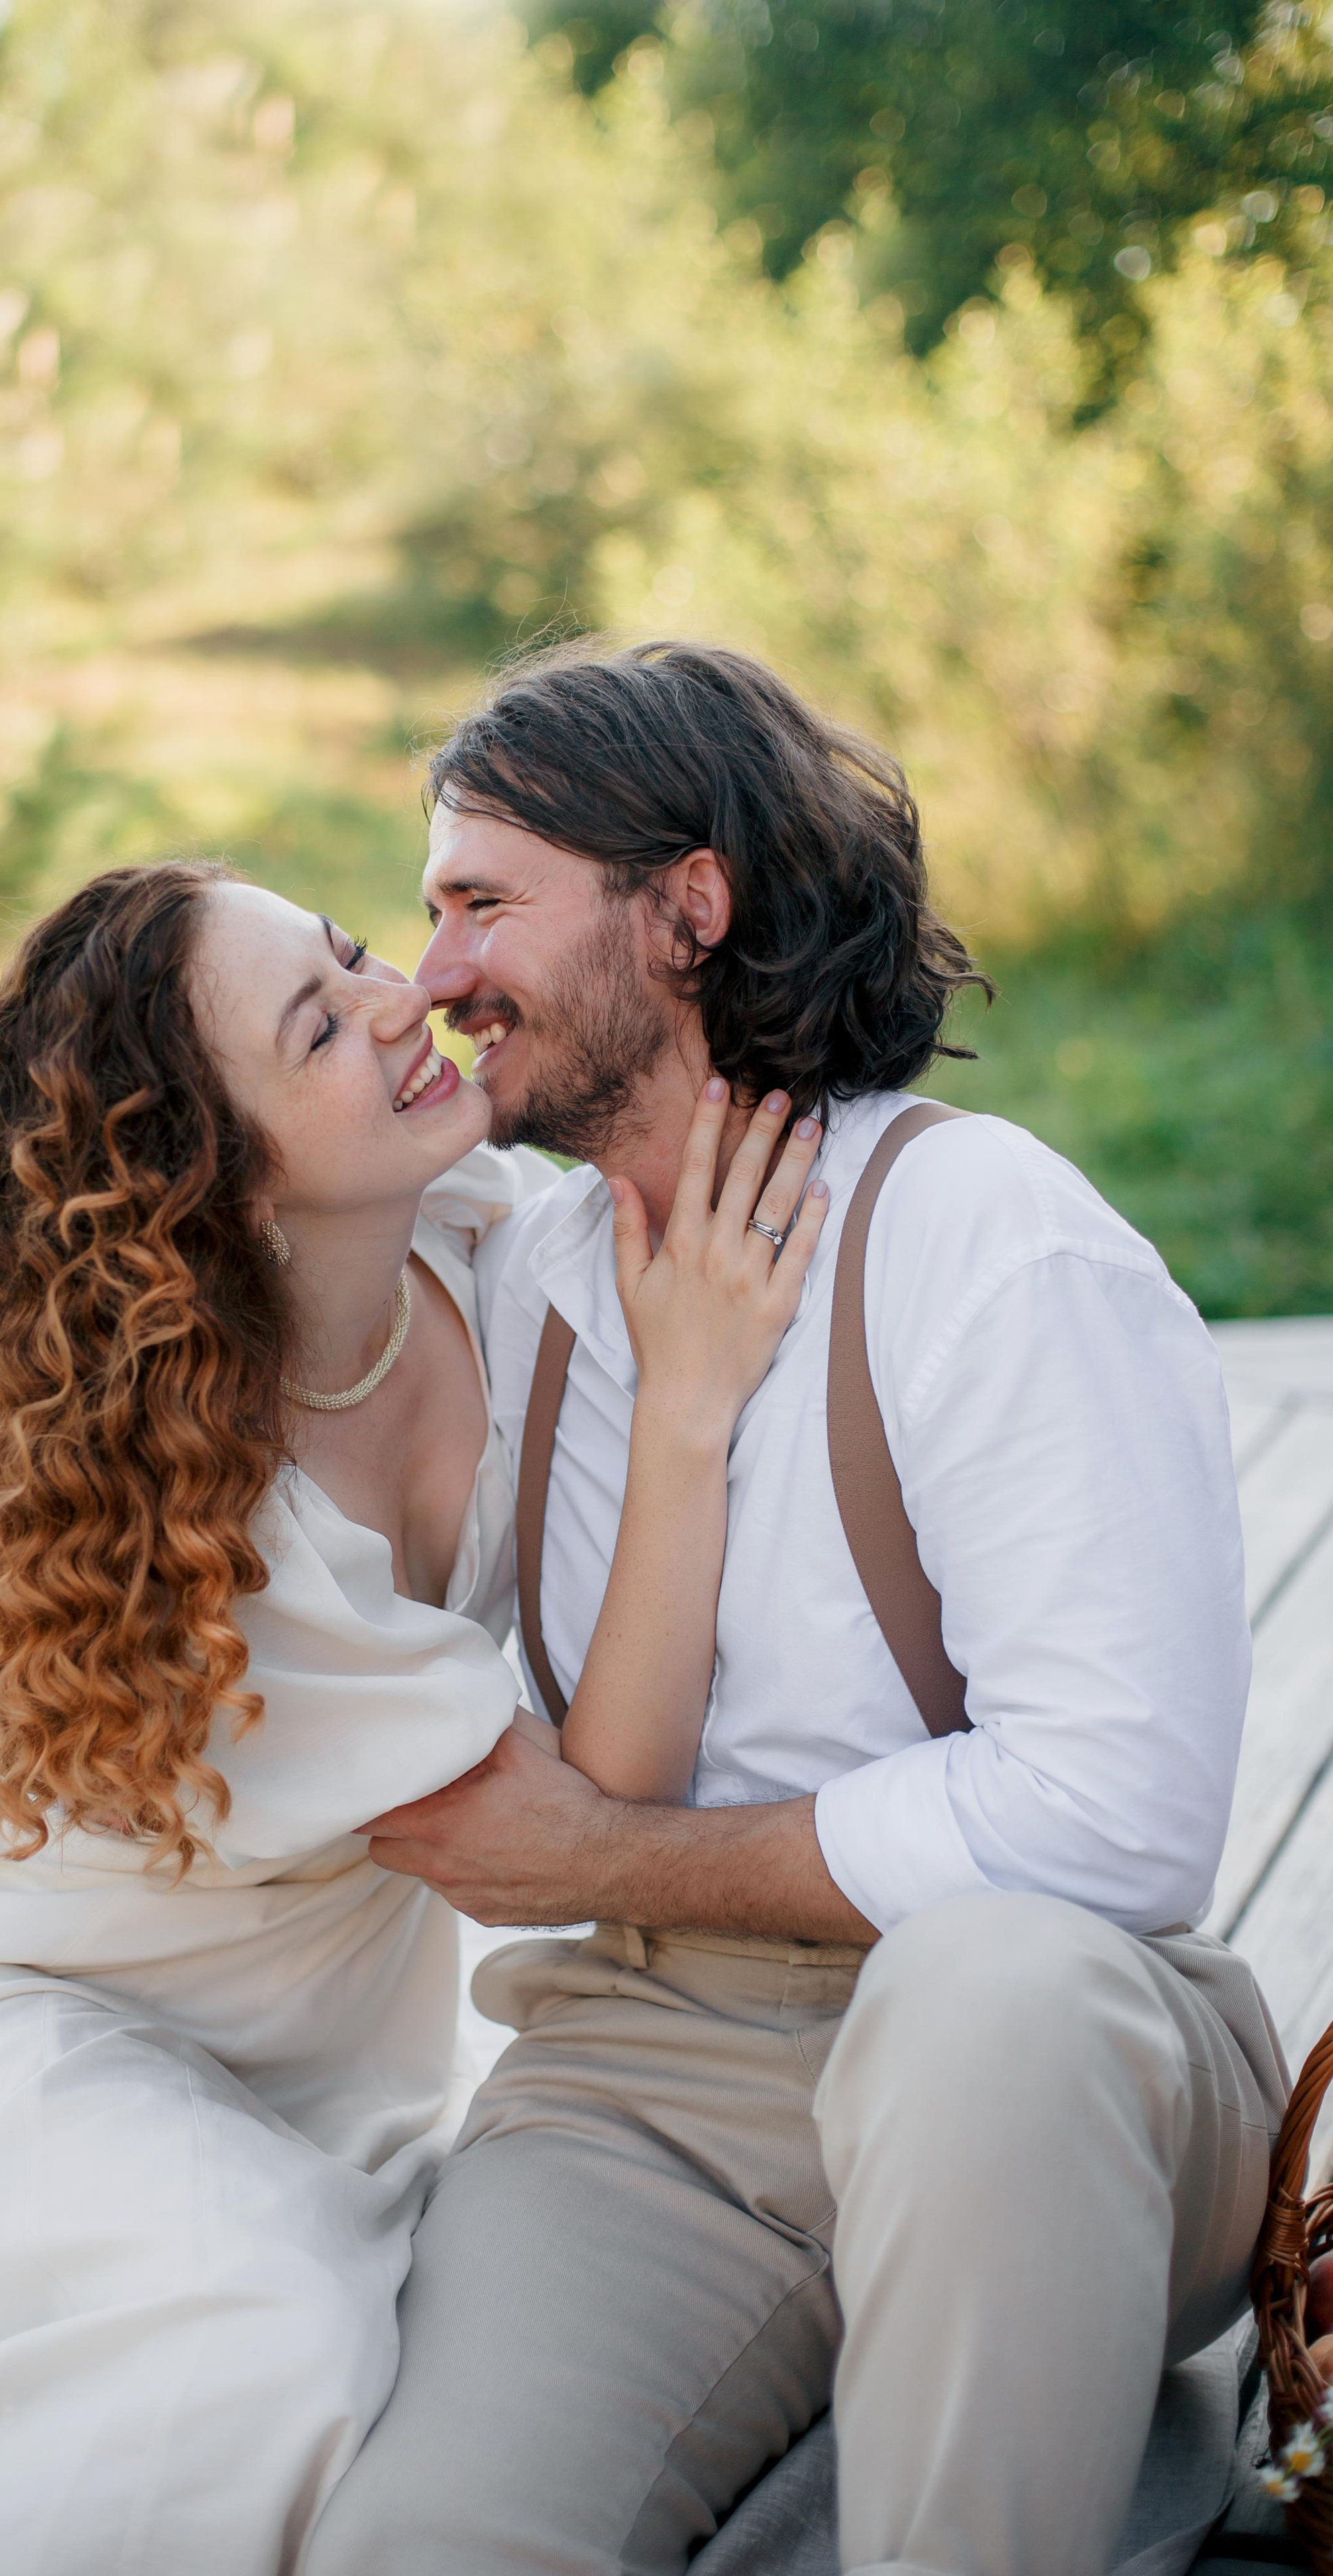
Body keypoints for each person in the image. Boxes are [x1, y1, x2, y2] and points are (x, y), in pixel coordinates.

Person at [0, 855, 824, 2576]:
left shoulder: (488, 1232)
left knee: (328, 2349)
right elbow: (593, 1818)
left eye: (351, 957)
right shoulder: (232, 1527)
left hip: (314, 2090)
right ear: (225, 1176)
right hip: (32, 2034)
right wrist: (688, 1408)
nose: (399, 1003)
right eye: (318, 1026)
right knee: (275, 2343)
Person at [305, 639, 1290, 2576]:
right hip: (655, 2080)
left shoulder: (983, 1237)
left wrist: (614, 1851)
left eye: (481, 901)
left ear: (690, 907)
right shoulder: (526, 1276)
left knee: (985, 1988)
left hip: (1073, 2062)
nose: (433, 976)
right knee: (424, 2546)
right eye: (429, 913)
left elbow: (1117, 1820)